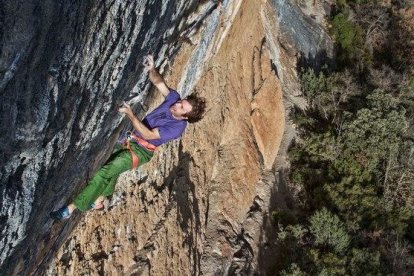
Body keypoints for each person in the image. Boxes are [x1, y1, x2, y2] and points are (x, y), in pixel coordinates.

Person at [51, 55, 206, 220]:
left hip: (141, 152)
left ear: (185, 117)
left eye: (182, 107)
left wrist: (130, 115)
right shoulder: (174, 98)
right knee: (111, 170)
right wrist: (152, 69)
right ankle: (101, 200)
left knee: (103, 173)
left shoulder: (177, 128)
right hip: (131, 140)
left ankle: (71, 209)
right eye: (181, 101)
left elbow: (149, 134)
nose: (177, 104)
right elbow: (159, 82)